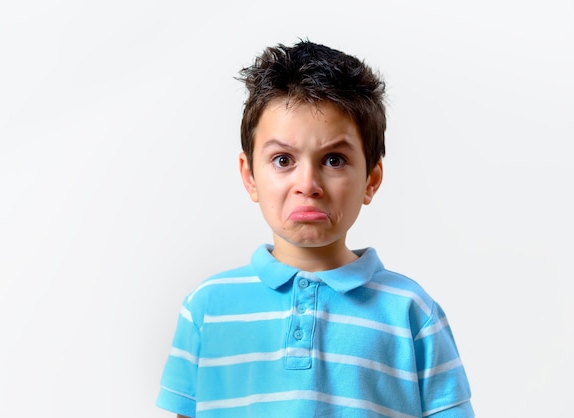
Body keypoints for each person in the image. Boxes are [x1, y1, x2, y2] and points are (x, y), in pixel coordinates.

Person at [156, 40, 473, 417]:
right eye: (283, 159)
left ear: (371, 179)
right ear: (250, 175)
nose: (308, 183)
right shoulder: (207, 308)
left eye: (334, 159)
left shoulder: (411, 312)